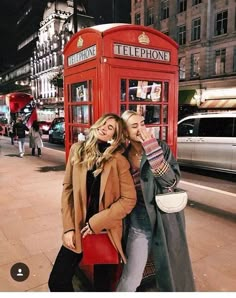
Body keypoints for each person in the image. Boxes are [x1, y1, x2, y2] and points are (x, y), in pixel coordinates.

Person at [48, 113, 137, 292]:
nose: (104, 127)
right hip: (78, 227)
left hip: (105, 229)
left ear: (115, 136)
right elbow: (68, 190)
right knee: (58, 280)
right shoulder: (77, 150)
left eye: (110, 127)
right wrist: (68, 228)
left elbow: (129, 199)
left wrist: (98, 221)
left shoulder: (118, 160)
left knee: (103, 286)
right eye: (103, 123)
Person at [116, 110, 195, 292]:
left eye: (142, 123)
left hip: (165, 218)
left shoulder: (159, 147)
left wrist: (151, 149)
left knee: (172, 271)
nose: (141, 129)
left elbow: (171, 181)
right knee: (131, 276)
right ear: (125, 132)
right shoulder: (122, 156)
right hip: (139, 222)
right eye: (134, 126)